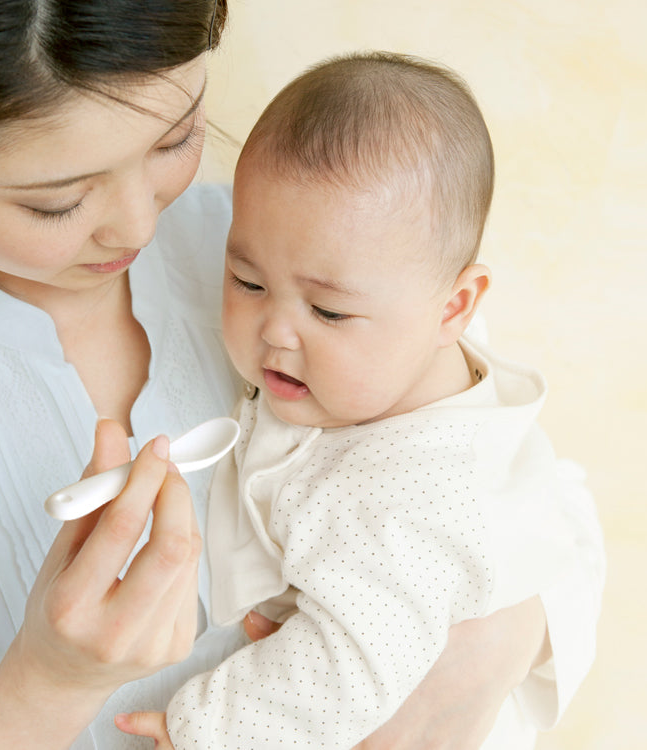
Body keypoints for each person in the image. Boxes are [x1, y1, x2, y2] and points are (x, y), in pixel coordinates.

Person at [0, 0, 604, 747]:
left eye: (178, 138)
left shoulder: (304, 233)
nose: (137, 226)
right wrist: (44, 686)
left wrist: (479, 655)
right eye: (57, 203)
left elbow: (527, 493)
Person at [116, 52, 604, 749]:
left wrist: (206, 729)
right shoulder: (397, 342)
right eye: (247, 282)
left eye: (330, 312)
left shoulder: (418, 491)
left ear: (453, 309)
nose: (275, 330)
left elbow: (348, 666)